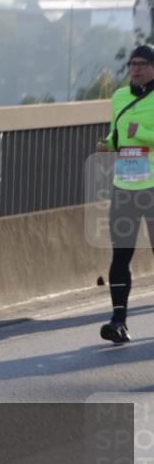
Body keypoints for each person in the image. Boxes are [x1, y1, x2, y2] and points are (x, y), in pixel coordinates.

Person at [98, 44, 154, 344]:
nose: (136, 69)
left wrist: (141, 131)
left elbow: (137, 132)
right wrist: (108, 143)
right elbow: (117, 133)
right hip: (125, 185)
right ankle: (118, 321)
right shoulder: (119, 97)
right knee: (121, 255)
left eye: (143, 64)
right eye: (133, 64)